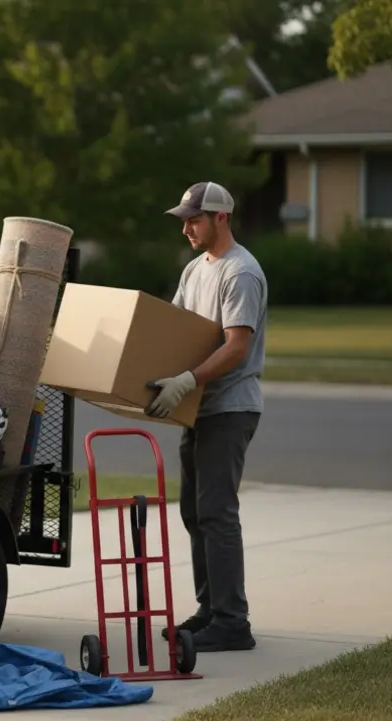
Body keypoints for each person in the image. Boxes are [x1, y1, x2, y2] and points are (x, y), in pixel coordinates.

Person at [145, 181, 268, 653]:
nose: (186, 228)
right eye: (183, 220)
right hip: (198, 408)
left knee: (217, 514)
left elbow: (236, 347)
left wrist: (187, 381)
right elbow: (173, 328)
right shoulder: (196, 269)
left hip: (230, 407)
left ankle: (233, 622)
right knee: (195, 513)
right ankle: (210, 609)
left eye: (193, 219)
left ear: (221, 217)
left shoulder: (240, 273)